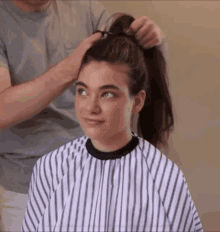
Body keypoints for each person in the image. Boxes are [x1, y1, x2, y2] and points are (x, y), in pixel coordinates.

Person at [21, 13, 203, 232]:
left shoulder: (165, 179)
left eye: (107, 94)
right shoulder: (49, 170)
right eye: (82, 91)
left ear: (137, 101)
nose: (90, 107)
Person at [0, 0, 167, 231]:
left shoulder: (85, 9)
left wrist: (152, 40)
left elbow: (127, 59)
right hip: (29, 190)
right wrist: (69, 69)